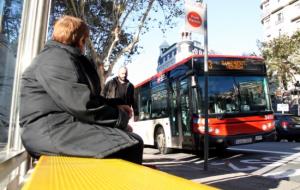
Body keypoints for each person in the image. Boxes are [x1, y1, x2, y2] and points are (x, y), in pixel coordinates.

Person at [20, 15, 143, 164]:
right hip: (50, 132)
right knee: (132, 144)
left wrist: (114, 106)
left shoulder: (56, 57)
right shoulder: (57, 60)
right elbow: (83, 105)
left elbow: (82, 98)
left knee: (127, 140)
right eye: (85, 40)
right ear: (80, 40)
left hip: (53, 128)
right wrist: (120, 119)